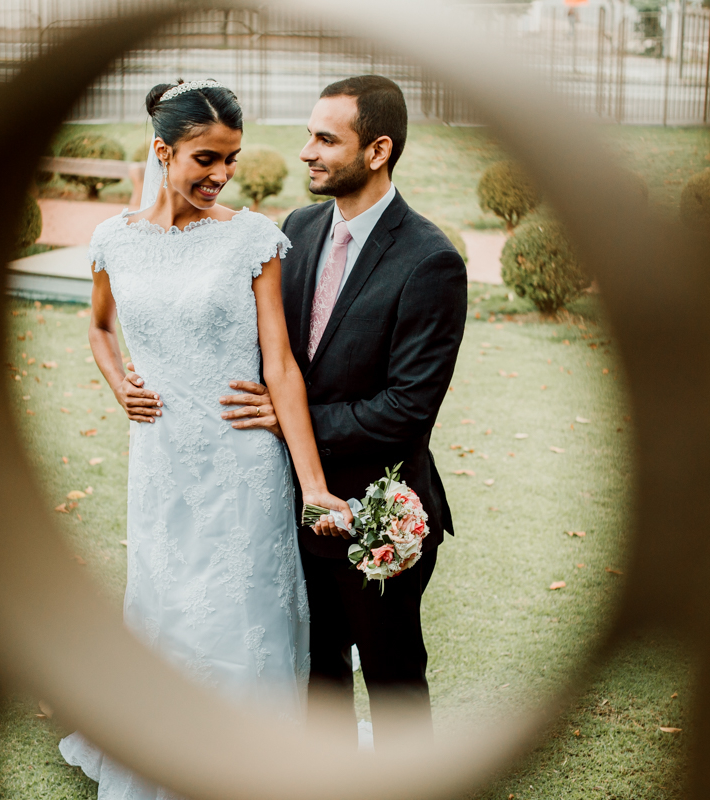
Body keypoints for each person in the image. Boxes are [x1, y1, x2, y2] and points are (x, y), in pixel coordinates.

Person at [58, 79, 352, 800]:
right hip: (160, 462)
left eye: (232, 159)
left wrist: (312, 484)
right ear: (163, 151)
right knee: (169, 611)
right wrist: (117, 379)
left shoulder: (252, 238)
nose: (221, 175)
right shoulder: (112, 242)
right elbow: (99, 326)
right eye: (205, 159)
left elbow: (279, 362)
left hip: (243, 462)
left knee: (241, 615)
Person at [219, 75, 468, 749]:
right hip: (293, 506)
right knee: (314, 678)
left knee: (392, 682)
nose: (306, 151)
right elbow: (267, 349)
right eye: (308, 134)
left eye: (326, 138)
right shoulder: (296, 228)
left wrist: (287, 418)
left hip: (378, 515)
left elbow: (405, 411)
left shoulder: (431, 261)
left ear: (378, 149)